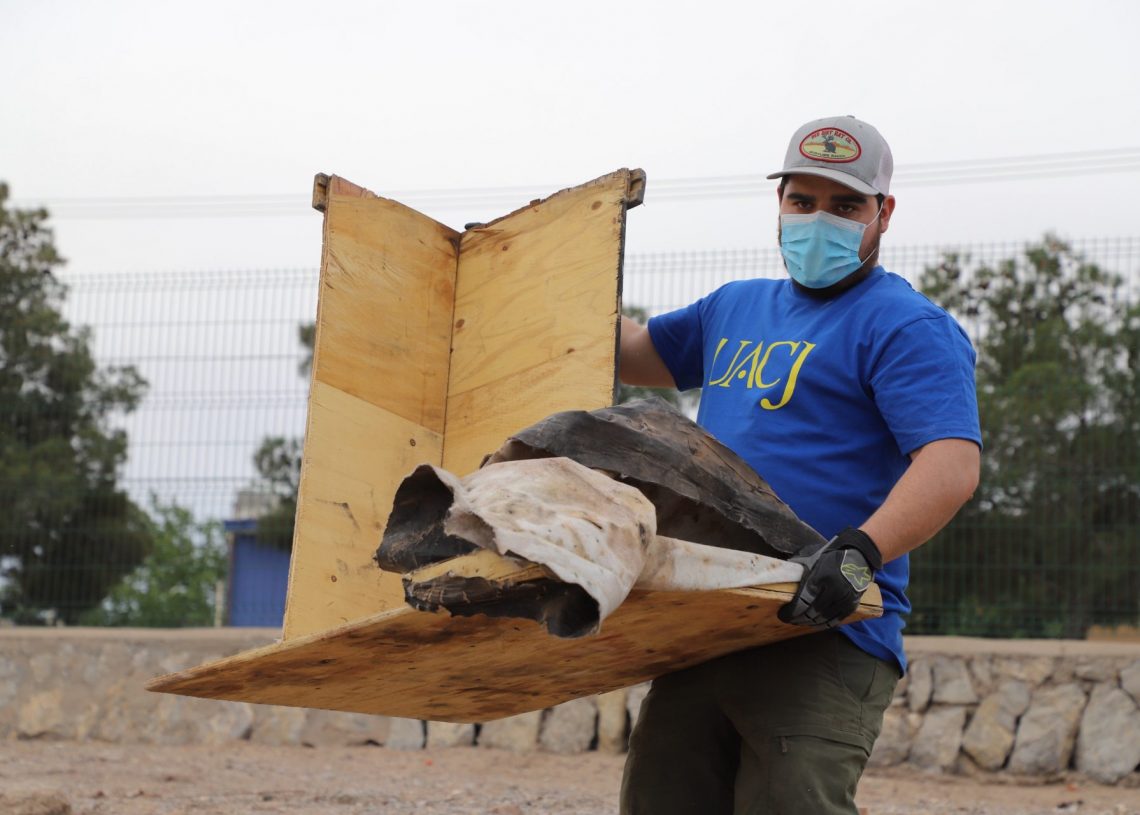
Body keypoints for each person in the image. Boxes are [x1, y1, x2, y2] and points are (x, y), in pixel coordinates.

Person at [617, 115, 982, 814]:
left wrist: (860, 553)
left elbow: (951, 464)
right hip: (707, 618)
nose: (820, 220)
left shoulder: (906, 326)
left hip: (825, 626)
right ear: (779, 203)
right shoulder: (734, 307)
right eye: (803, 200)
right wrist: (539, 277)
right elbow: (633, 355)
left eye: (846, 206)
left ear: (883, 213)